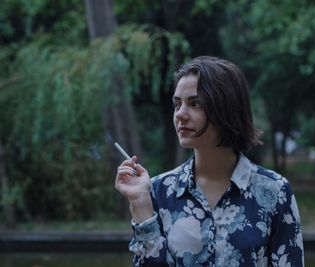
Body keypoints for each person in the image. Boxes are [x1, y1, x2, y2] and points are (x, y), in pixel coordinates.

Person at [115, 56, 304, 267]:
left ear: (226, 108)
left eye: (195, 104)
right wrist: (140, 204)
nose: (181, 114)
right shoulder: (158, 191)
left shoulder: (274, 191)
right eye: (177, 104)